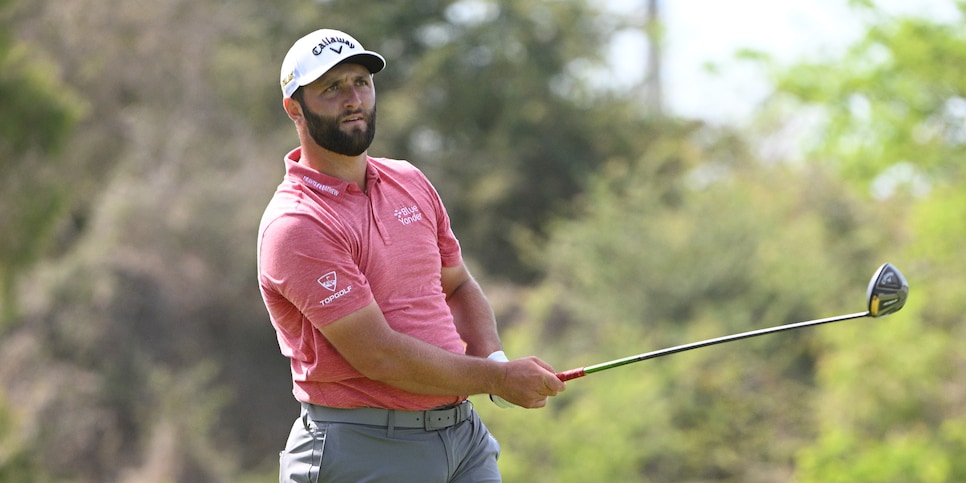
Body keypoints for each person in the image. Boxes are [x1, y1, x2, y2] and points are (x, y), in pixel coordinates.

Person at [257, 28, 567, 482]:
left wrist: (495, 361)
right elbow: (379, 355)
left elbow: (457, 285)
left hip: (463, 439)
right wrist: (496, 380)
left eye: (360, 82)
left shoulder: (409, 180)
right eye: (331, 88)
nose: (352, 99)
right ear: (294, 109)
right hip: (364, 448)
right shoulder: (297, 224)